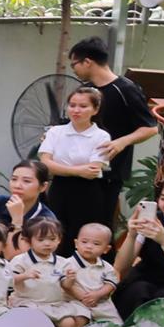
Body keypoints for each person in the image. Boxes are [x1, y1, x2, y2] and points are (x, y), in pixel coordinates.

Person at [68, 36, 157, 217]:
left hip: (108, 174)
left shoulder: (126, 89)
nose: (73, 70)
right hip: (77, 171)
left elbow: (150, 127)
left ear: (87, 62)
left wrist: (122, 142)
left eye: (74, 64)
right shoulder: (86, 90)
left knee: (98, 224)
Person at [39, 85, 113, 247]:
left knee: (84, 236)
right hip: (58, 188)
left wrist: (60, 167)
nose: (76, 110)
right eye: (72, 105)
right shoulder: (55, 132)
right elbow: (45, 163)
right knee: (55, 232)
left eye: (83, 106)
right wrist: (78, 170)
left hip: (88, 192)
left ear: (95, 110)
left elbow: (92, 170)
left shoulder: (101, 136)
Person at [114, 174, 164, 320]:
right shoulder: (152, 221)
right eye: (163, 198)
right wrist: (131, 235)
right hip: (147, 281)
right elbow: (120, 268)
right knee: (139, 291)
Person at [9, 217, 82, 327]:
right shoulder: (20, 260)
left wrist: (70, 279)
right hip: (28, 303)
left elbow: (65, 285)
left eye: (52, 239)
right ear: (29, 241)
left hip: (54, 305)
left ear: (59, 239)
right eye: (41, 240)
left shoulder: (62, 262)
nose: (47, 244)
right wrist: (25, 275)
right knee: (34, 323)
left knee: (69, 324)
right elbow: (9, 281)